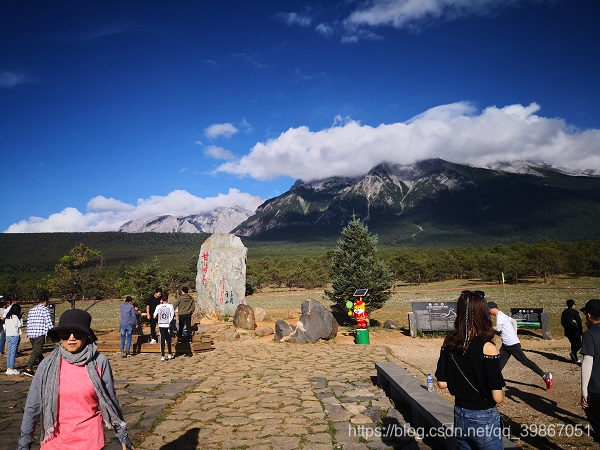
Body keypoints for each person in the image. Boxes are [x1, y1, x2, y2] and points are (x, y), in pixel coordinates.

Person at [18, 308, 135, 450]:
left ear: (87, 335)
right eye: (66, 333)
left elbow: (110, 400)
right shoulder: (47, 365)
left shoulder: (99, 361)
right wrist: (24, 444)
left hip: (91, 442)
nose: (71, 337)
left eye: (78, 333)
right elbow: (33, 405)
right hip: (54, 443)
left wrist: (122, 434)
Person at [435, 290, 505, 449]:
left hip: (459, 414)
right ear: (483, 314)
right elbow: (498, 397)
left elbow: (442, 383)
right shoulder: (488, 347)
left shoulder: (449, 342)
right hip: (483, 416)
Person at [488, 301, 553, 390]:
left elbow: (498, 328)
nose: (489, 312)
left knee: (525, 361)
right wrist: (514, 333)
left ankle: (545, 376)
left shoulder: (499, 316)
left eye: (489, 310)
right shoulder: (502, 314)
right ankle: (492, 382)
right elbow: (514, 321)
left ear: (492, 308)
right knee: (499, 364)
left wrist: (489, 328)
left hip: (512, 344)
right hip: (507, 344)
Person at [580, 298, 600, 440]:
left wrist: (584, 392)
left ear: (588, 315)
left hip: (596, 389)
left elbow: (587, 363)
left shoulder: (589, 335)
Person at [23, 295, 53, 377]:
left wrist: (28, 333)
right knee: (37, 351)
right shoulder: (45, 309)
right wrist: (53, 332)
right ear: (46, 301)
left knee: (38, 351)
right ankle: (28, 368)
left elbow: (28, 322)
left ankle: (43, 366)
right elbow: (48, 322)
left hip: (31, 333)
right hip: (39, 333)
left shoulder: (32, 310)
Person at [154, 294, 175, 361]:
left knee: (162, 339)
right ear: (167, 299)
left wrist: (158, 318)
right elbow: (172, 315)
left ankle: (162, 355)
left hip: (161, 324)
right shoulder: (170, 306)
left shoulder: (158, 306)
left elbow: (154, 315)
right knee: (168, 339)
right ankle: (169, 353)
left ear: (161, 300)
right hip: (167, 324)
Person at [5, 303, 23, 375]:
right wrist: (20, 318)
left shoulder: (8, 317)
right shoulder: (15, 317)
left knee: (9, 351)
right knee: (13, 352)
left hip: (9, 335)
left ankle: (8, 367)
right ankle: (11, 368)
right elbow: (19, 325)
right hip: (15, 335)